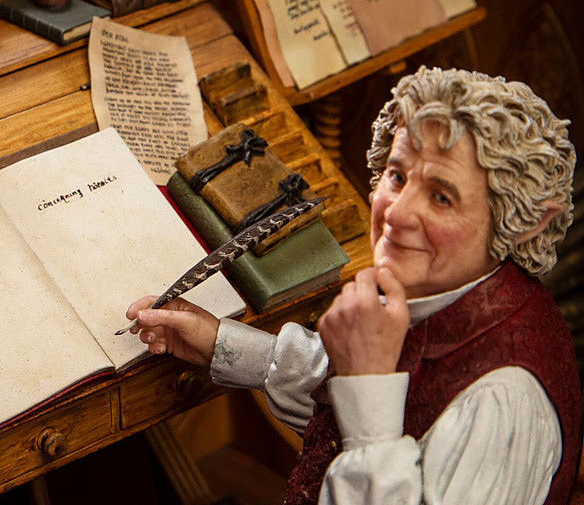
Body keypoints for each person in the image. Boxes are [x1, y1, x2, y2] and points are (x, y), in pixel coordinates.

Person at [126, 67, 580, 505]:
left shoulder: (505, 404)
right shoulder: (439, 291)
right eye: (397, 176)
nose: (397, 214)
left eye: (442, 197)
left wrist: (367, 389)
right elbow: (340, 387)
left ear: (521, 223)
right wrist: (221, 343)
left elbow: (370, 404)